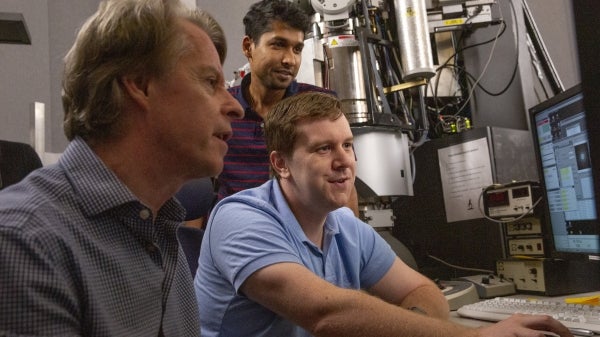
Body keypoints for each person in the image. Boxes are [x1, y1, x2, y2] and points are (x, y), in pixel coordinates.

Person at [195, 92, 573, 337]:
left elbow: (421, 290)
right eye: (324, 149)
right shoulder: (240, 218)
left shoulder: (343, 225)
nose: (345, 161)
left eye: (347, 145)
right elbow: (326, 315)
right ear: (281, 164)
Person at [0, 0, 243, 336]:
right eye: (210, 82)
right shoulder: (26, 242)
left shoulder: (162, 227)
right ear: (140, 84)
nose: (235, 107)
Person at [217, 0, 359, 214]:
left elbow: (343, 185)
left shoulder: (320, 104)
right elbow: (196, 191)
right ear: (248, 47)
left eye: (297, 49)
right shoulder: (221, 109)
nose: (289, 60)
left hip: (302, 235)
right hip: (236, 234)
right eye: (278, 45)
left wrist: (349, 244)